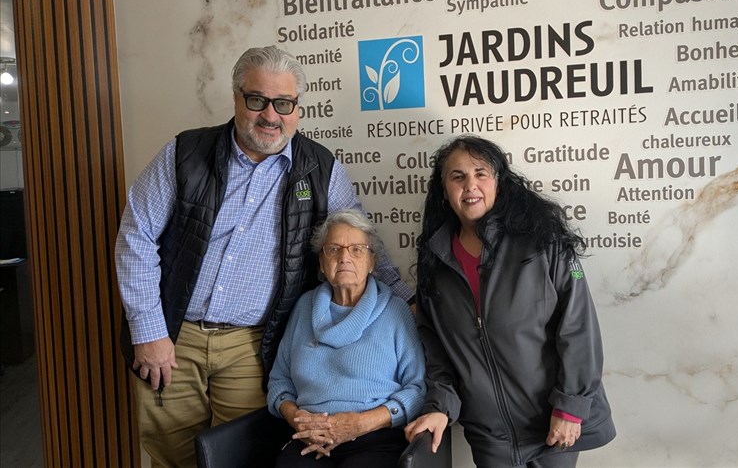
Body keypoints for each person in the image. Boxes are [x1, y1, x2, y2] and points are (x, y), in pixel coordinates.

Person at [115, 46, 413, 468]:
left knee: (240, 455)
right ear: (237, 98)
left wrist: (404, 299)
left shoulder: (320, 168)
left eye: (284, 103)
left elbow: (357, 242)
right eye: (257, 100)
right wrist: (148, 332)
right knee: (172, 455)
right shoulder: (185, 153)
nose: (270, 115)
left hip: (251, 345)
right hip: (172, 336)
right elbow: (136, 236)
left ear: (297, 108)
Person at [404, 136, 615, 467]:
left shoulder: (540, 241)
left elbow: (578, 326)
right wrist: (439, 406)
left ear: (499, 182)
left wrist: (570, 406)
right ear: (444, 190)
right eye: (457, 176)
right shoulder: (435, 259)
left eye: (480, 173)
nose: (470, 185)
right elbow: (437, 351)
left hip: (552, 425)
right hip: (490, 436)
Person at [267, 209, 425, 467]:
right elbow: (279, 381)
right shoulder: (304, 307)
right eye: (334, 250)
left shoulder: (395, 311)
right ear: (321, 262)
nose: (344, 258)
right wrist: (297, 417)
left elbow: (417, 389)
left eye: (357, 250)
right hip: (309, 437)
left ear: (372, 262)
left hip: (374, 436)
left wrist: (360, 423)